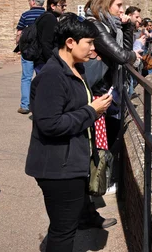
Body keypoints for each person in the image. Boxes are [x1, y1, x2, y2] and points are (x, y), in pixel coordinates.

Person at [25, 13, 113, 252]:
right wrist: (91, 111)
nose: (93, 49)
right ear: (70, 42)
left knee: (66, 226)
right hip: (57, 168)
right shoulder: (52, 76)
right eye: (89, 43)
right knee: (63, 231)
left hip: (69, 163)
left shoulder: (76, 69)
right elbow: (49, 124)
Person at [84, 0, 138, 169]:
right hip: (98, 91)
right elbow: (122, 56)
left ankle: (100, 177)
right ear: (106, 4)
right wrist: (134, 57)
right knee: (101, 142)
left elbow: (125, 53)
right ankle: (96, 181)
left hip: (108, 88)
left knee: (109, 135)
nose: (122, 10)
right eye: (119, 5)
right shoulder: (96, 25)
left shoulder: (111, 26)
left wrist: (127, 27)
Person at [16, 0, 46, 114]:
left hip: (27, 50)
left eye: (30, 1)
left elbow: (19, 32)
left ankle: (25, 105)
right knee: (43, 77)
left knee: (26, 78)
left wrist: (19, 46)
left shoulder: (25, 15)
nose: (29, 2)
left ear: (33, 2)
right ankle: (42, 105)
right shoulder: (46, 15)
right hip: (42, 51)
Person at [34, 0, 67, 73]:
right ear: (53, 6)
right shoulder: (50, 19)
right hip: (44, 61)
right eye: (62, 6)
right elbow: (46, 42)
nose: (64, 8)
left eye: (65, 6)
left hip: (41, 60)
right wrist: (51, 61)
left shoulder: (45, 16)